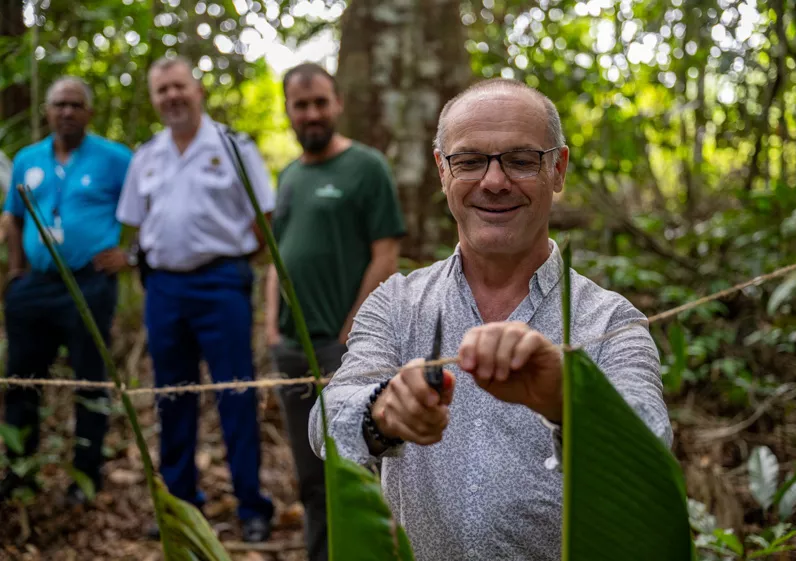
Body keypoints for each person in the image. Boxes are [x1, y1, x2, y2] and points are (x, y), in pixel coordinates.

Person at [307, 78, 673, 560]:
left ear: (557, 169)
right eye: (470, 161)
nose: (495, 182)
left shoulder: (609, 319)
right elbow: (326, 422)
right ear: (442, 171)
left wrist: (568, 396)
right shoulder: (396, 303)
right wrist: (383, 410)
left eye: (521, 161)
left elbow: (652, 444)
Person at [116, 56, 275, 542]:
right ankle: (180, 503)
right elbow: (137, 224)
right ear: (154, 98)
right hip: (164, 288)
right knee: (172, 395)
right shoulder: (146, 156)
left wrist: (237, 266)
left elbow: (262, 219)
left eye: (178, 87)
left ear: (198, 89)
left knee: (236, 390)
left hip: (221, 282)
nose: (171, 97)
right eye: (161, 90)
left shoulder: (232, 145)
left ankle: (251, 504)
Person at [264, 62, 405, 561]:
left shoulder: (367, 167)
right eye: (301, 104)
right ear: (288, 110)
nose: (311, 113)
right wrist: (270, 331)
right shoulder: (287, 176)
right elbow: (276, 261)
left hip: (342, 350)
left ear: (337, 102)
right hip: (291, 350)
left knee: (354, 472)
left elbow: (385, 254)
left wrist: (352, 335)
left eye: (320, 101)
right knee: (309, 475)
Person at [0, 77, 133, 506]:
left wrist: (129, 253)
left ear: (88, 113)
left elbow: (148, 205)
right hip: (34, 288)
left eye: (76, 105)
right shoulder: (26, 159)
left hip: (89, 285)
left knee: (90, 382)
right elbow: (14, 218)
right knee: (22, 380)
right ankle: (20, 471)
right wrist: (17, 268)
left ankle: (85, 478)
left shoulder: (115, 158)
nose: (67, 112)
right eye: (60, 104)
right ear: (47, 111)